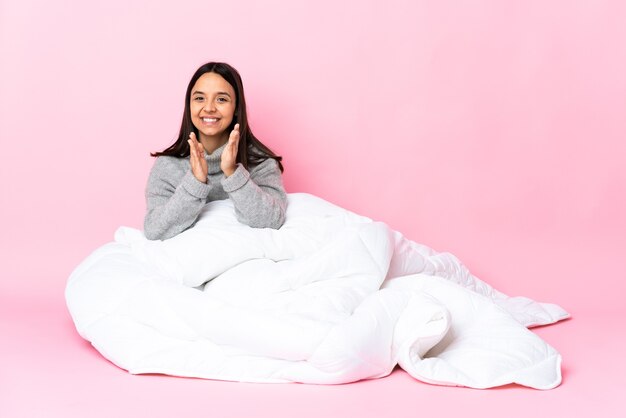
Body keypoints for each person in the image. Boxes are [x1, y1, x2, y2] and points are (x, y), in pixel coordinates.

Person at [144, 62, 287, 240]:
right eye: (199, 98)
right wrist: (196, 181)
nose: (209, 108)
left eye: (221, 99)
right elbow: (154, 230)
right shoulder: (168, 165)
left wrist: (233, 172)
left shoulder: (261, 162)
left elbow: (272, 221)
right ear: (189, 106)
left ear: (236, 108)